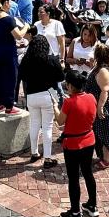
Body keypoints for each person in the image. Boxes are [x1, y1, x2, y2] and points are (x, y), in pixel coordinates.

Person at [53, 70, 98, 217]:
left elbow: (60, 121)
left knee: (73, 178)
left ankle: (75, 212)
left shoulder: (69, 102)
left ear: (71, 86)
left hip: (73, 144)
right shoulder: (91, 97)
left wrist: (55, 106)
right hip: (89, 140)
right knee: (88, 173)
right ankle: (92, 205)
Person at [18, 35, 64, 168]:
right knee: (47, 127)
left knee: (34, 125)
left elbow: (22, 77)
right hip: (47, 95)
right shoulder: (51, 59)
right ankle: (48, 158)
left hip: (31, 96)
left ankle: (34, 153)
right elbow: (61, 77)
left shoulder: (26, 60)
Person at [0, 0, 28, 115]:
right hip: (9, 52)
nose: (10, 5)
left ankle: (0, 103)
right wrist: (26, 26)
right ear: (5, 3)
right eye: (8, 3)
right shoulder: (8, 18)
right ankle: (9, 105)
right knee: (11, 77)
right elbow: (19, 36)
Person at [84, 43, 109, 169]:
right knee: (100, 131)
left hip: (105, 106)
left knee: (105, 132)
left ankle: (108, 159)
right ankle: (104, 155)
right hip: (102, 104)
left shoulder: (103, 70)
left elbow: (105, 91)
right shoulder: (100, 67)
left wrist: (100, 108)